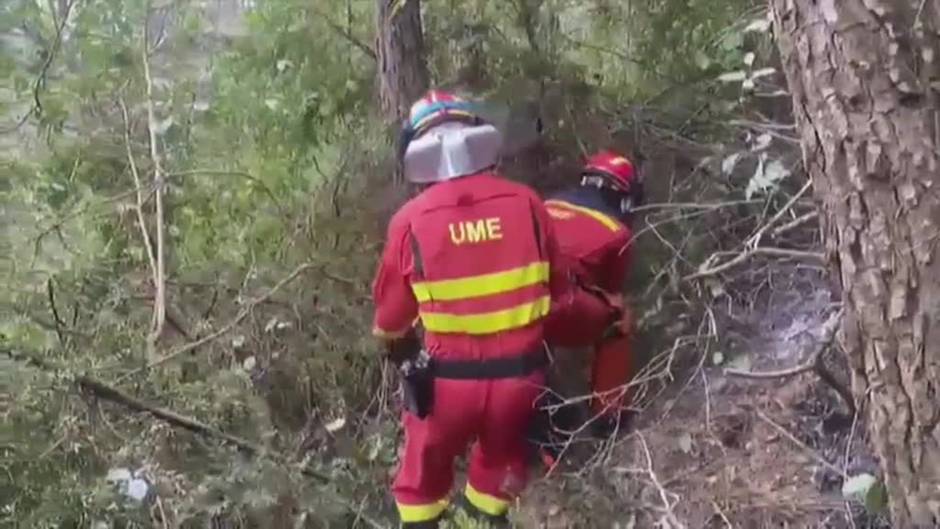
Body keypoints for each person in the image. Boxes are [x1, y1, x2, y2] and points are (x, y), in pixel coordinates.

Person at [371, 89, 614, 528]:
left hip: (445, 388)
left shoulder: (410, 220)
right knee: (500, 465)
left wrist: (402, 353)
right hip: (519, 382)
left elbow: (390, 321)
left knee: (421, 479)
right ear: (480, 139)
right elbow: (559, 297)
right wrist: (601, 316)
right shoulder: (526, 203)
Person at [542, 149, 644, 435]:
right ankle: (610, 417)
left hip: (499, 301)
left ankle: (544, 392)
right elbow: (611, 293)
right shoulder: (616, 232)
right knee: (618, 320)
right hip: (551, 305)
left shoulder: (544, 204)